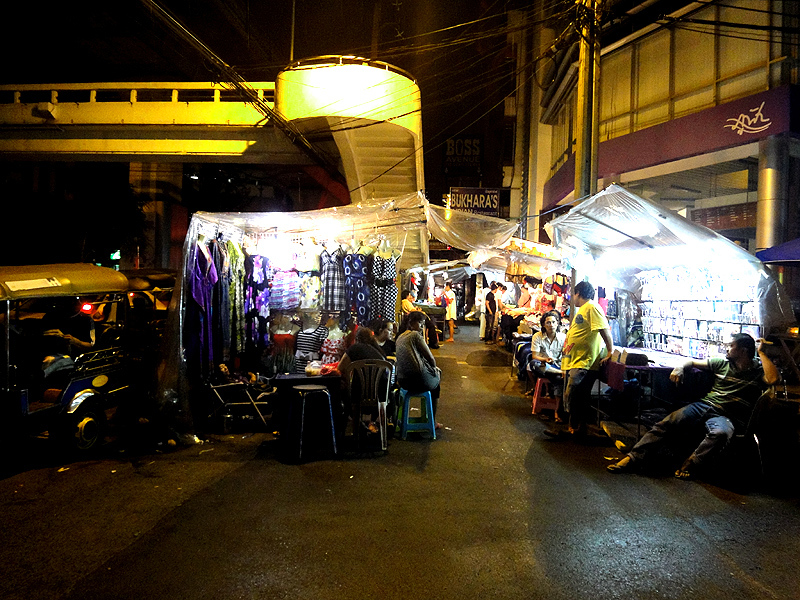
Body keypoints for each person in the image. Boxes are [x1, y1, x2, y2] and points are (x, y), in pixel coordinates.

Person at [607, 333, 780, 479]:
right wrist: (680, 368)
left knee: (721, 433)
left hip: (726, 415)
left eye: (731, 345)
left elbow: (773, 379)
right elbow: (692, 362)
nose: (727, 348)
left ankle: (691, 463)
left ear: (743, 350)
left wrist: (762, 353)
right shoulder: (721, 363)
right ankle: (633, 458)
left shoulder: (757, 371)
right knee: (667, 422)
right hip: (704, 405)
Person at [544, 280, 613, 439]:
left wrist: (610, 350)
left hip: (585, 362)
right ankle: (576, 428)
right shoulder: (584, 309)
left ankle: (574, 429)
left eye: (572, 294)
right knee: (576, 396)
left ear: (578, 293)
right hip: (576, 361)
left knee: (575, 395)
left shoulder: (592, 307)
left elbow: (604, 329)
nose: (571, 298)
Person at [396, 310, 442, 429]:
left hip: (403, 381)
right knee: (436, 383)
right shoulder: (415, 336)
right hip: (417, 380)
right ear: (411, 324)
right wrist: (434, 370)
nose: (422, 327)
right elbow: (431, 359)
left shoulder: (400, 337)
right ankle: (433, 421)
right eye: (420, 323)